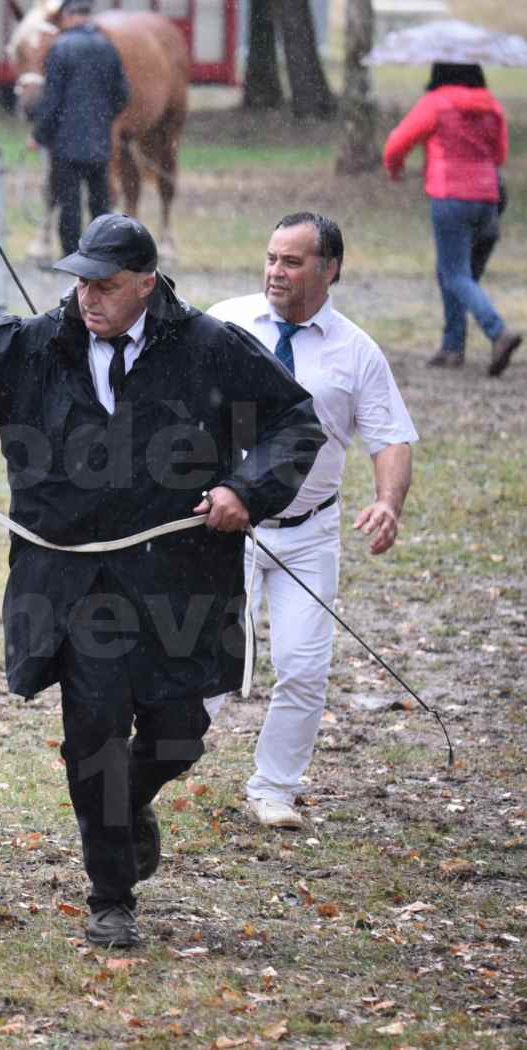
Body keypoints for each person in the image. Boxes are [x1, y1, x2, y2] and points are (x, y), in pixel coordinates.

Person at [0, 213, 326, 948]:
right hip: (74, 588)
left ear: (145, 284)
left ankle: (129, 806)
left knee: (178, 735)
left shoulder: (207, 348)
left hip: (180, 580)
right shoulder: (30, 346)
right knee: (93, 736)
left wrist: (246, 489)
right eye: (80, 283)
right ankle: (111, 896)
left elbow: (293, 421)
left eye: (105, 285)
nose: (87, 299)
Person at [206, 214, 418, 830]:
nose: (276, 271)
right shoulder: (226, 324)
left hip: (310, 532)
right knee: (207, 658)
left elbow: (390, 437)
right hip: (226, 526)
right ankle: (157, 766)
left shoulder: (356, 352)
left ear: (330, 271)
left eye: (293, 262)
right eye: (272, 258)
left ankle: (274, 786)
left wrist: (388, 503)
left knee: (302, 668)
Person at [383, 62, 518, 376]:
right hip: (488, 199)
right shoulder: (491, 104)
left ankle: (498, 332)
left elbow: (398, 143)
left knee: (455, 273)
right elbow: (499, 154)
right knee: (458, 274)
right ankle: (452, 347)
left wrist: (395, 169)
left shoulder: (437, 102)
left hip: (451, 198)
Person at [29, 0, 129, 257]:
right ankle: (102, 257)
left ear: (69, 16)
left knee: (70, 204)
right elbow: (122, 95)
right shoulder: (108, 47)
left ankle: (72, 257)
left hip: (66, 143)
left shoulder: (60, 48)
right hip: (100, 142)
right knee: (100, 204)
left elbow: (52, 100)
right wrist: (103, 118)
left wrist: (39, 135)